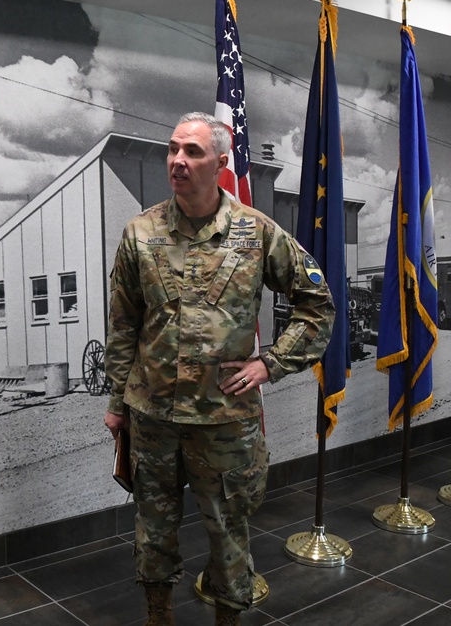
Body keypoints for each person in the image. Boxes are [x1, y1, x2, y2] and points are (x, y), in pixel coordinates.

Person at [103, 112, 334, 626]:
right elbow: (123, 323)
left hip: (224, 419)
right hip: (154, 417)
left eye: (192, 152)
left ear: (221, 163)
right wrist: (118, 403)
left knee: (229, 531)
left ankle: (229, 617)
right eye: (173, 150)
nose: (178, 161)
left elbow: (316, 303)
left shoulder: (256, 234)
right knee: (153, 529)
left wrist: (270, 363)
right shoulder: (140, 234)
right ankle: (157, 614)